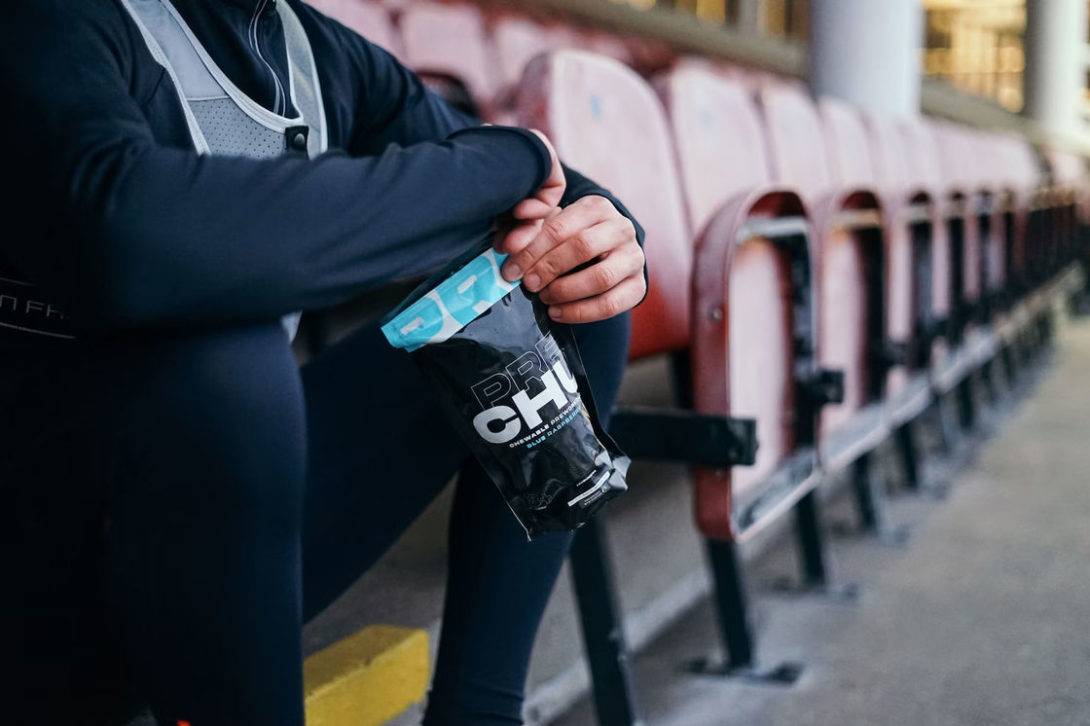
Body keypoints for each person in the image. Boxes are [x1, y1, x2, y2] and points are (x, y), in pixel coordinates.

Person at [1, 1, 646, 724]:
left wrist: (612, 233)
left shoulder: (318, 52)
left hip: (208, 559)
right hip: (32, 588)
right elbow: (131, 237)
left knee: (559, 282)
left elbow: (563, 206)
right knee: (227, 363)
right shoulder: (49, 21)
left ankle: (480, 714)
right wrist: (512, 158)